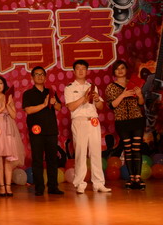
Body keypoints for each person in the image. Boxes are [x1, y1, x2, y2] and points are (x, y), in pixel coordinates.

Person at [64, 59, 111, 194]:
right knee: (81, 153)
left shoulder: (92, 86)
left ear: (87, 71)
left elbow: (101, 106)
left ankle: (98, 183)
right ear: (74, 71)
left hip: (93, 121)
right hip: (79, 121)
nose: (81, 71)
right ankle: (80, 183)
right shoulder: (69, 88)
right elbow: (71, 107)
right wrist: (83, 99)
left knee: (96, 153)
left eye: (83, 68)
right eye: (78, 68)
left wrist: (96, 99)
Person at [22, 66, 64, 196]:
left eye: (42, 74)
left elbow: (59, 107)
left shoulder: (50, 91)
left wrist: (54, 102)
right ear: (32, 77)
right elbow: (28, 110)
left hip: (51, 130)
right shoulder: (28, 93)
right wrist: (44, 105)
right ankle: (39, 187)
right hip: (36, 131)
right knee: (37, 159)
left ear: (45, 77)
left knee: (52, 159)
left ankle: (53, 187)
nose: (40, 77)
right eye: (37, 74)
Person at [105, 60, 146, 189]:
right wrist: (123, 95)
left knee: (137, 148)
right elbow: (112, 105)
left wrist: (139, 95)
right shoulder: (111, 87)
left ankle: (138, 178)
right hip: (122, 121)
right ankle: (131, 178)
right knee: (127, 149)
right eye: (117, 69)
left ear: (126, 70)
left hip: (137, 119)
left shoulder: (133, 83)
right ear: (114, 72)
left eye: (122, 68)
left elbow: (141, 103)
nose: (120, 70)